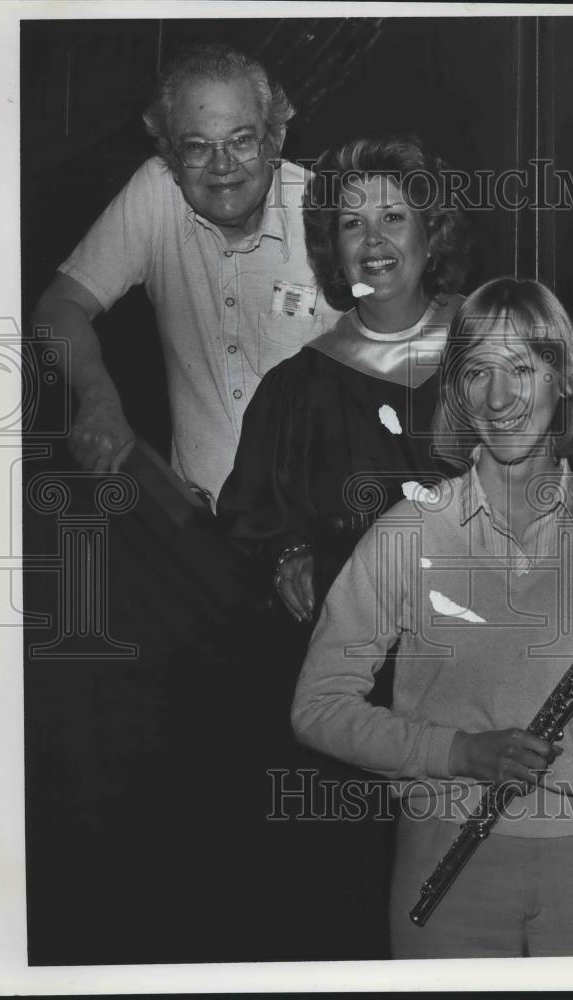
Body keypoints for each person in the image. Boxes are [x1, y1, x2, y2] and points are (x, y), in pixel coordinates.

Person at [291, 277, 573, 958]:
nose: (498, 399)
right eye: (477, 371)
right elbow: (317, 708)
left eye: (522, 369)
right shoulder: (407, 533)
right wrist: (458, 752)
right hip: (447, 854)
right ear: (457, 391)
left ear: (564, 382)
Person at [217, 135, 472, 959]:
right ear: (329, 245)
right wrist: (282, 551)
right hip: (362, 704)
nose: (374, 240)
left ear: (432, 233)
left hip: (488, 676)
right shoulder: (297, 388)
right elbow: (248, 520)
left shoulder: (494, 355)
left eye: (395, 216)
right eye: (350, 222)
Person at [31, 42, 340, 506]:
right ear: (171, 158)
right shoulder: (157, 192)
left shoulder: (330, 214)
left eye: (241, 140)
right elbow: (57, 307)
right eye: (197, 146)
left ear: (274, 141)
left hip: (313, 521)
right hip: (201, 526)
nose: (222, 166)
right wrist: (97, 398)